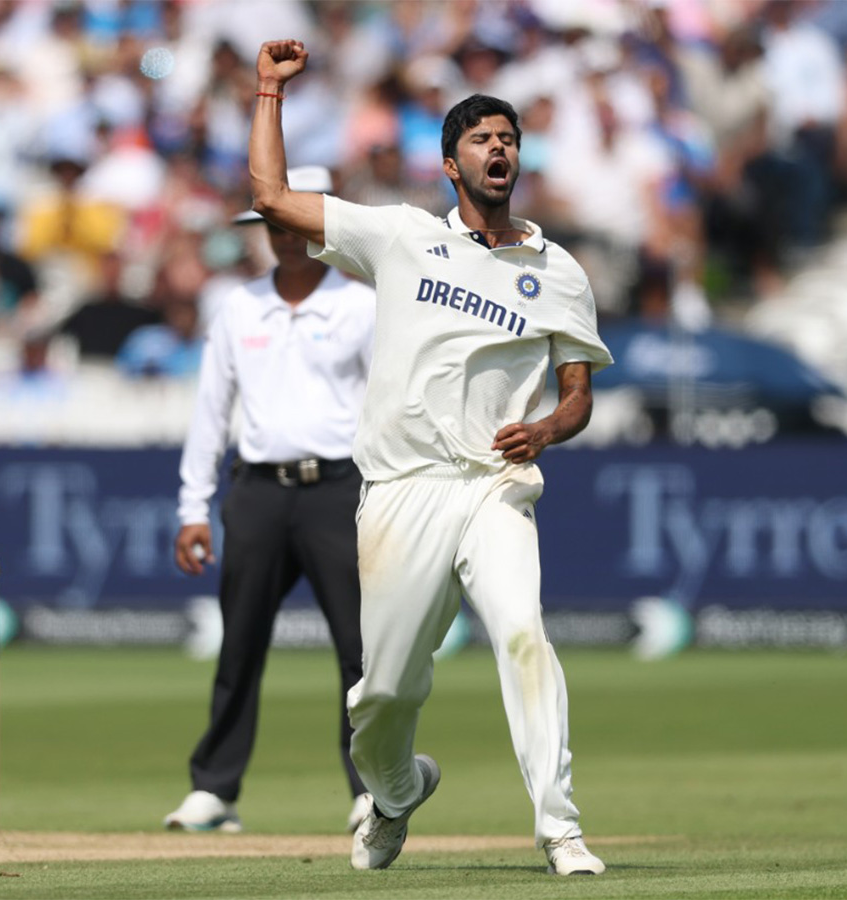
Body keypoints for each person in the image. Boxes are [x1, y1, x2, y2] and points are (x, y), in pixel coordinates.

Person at [246, 40, 613, 876]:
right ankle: (396, 793)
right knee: (384, 695)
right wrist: (268, 89)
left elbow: (578, 394)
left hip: (495, 486)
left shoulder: (556, 270)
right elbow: (269, 196)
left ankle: (560, 828)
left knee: (525, 636)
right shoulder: (401, 239)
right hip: (402, 489)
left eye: (509, 138)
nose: (499, 149)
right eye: (482, 139)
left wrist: (547, 431)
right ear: (451, 164)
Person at [164, 164, 375, 835]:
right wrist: (192, 508)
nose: (285, 238)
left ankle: (372, 788)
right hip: (256, 489)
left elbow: (388, 408)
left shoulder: (363, 303)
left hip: (339, 488)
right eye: (274, 225)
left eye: (298, 224)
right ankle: (215, 789)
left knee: (360, 649)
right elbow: (210, 411)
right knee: (240, 642)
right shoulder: (237, 305)